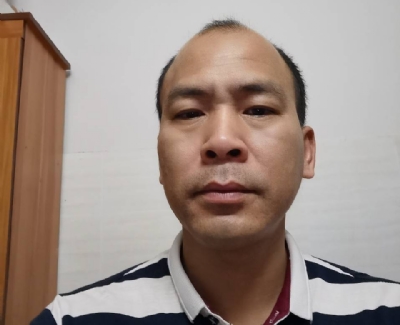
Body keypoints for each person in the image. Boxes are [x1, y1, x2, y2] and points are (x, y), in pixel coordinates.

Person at [32, 19, 400, 325]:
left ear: (307, 152)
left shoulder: (388, 311)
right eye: (190, 113)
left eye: (258, 110)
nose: (222, 140)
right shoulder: (70, 319)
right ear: (160, 159)